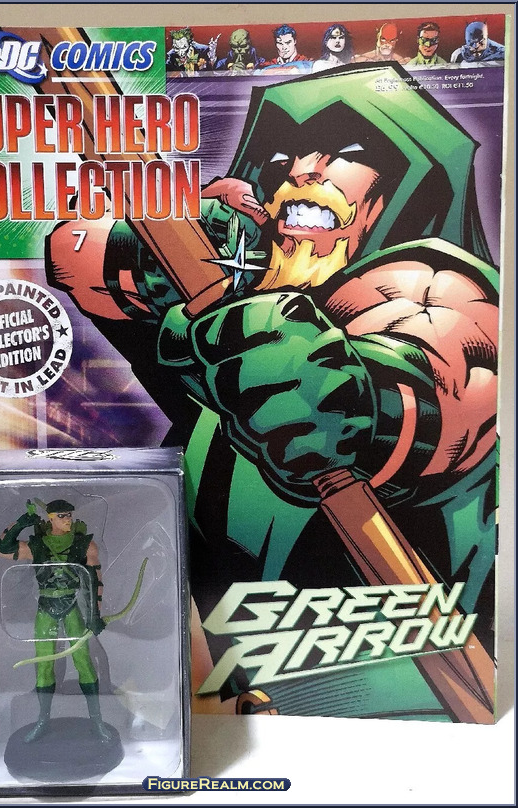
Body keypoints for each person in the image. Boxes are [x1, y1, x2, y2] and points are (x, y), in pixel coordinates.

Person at [46, 64, 498, 719]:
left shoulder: (437, 281)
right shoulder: (225, 315)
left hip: (395, 706)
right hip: (227, 702)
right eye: (283, 156)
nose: (302, 170)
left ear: (405, 187)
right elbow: (70, 254)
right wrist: (167, 239)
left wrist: (359, 402)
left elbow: (453, 363)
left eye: (348, 151)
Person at [0, 498, 111, 742]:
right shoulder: (37, 545)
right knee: (44, 666)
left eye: (69, 515)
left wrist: (94, 615)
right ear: (50, 518)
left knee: (84, 663)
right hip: (46, 608)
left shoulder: (85, 545)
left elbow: (94, 581)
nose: (67, 519)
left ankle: (97, 721)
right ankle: (43, 720)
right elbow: (1, 549)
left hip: (71, 607)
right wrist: (21, 523)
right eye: (61, 516)